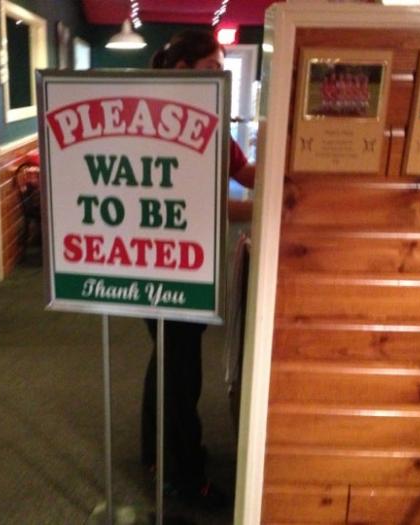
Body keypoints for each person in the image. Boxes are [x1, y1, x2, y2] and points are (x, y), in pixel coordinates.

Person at [141, 29, 255, 509]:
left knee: (168, 362)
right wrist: (264, 206)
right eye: (212, 68)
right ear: (182, 69)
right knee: (181, 374)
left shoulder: (209, 125)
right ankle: (183, 478)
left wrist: (287, 163)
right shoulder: (151, 123)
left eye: (222, 69)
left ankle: (156, 455)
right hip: (159, 265)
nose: (220, 77)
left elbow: (244, 174)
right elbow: (199, 204)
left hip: (191, 263)